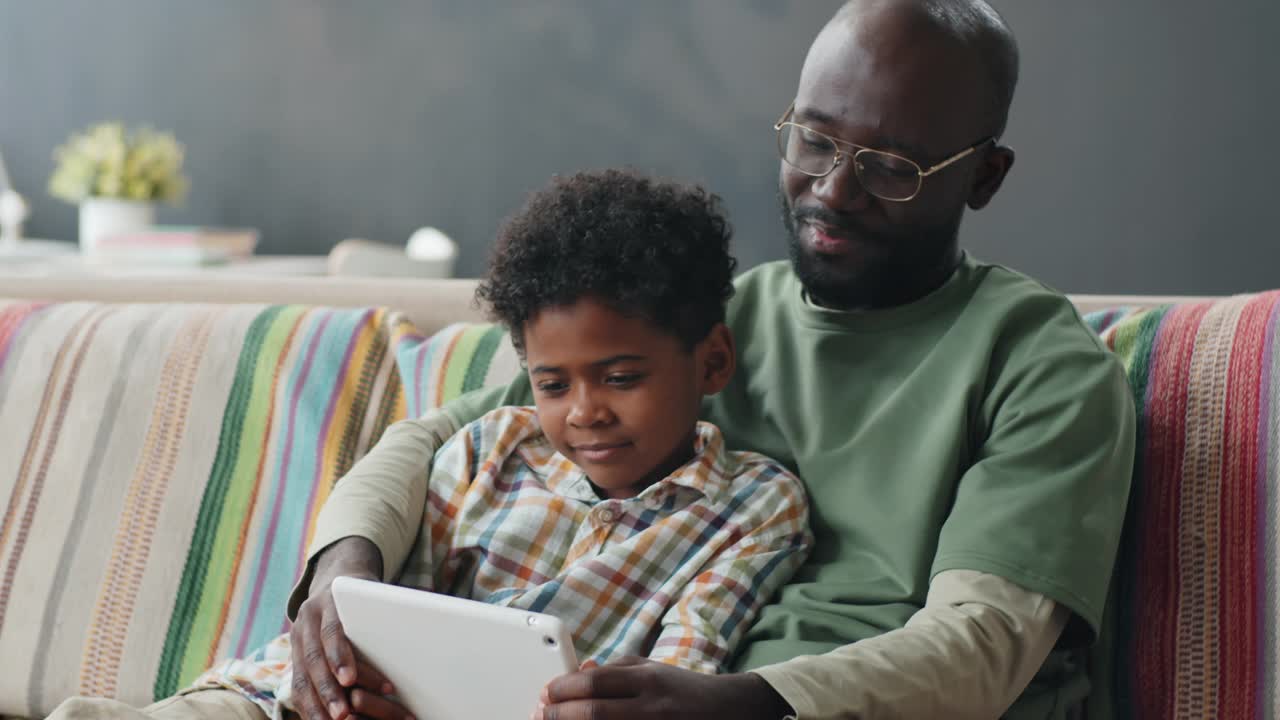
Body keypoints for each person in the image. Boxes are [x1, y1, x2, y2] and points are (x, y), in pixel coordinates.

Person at [284, 1, 1136, 719]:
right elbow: (435, 438)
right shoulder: (712, 317)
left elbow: (980, 647)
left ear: (985, 176)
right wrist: (343, 576)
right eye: (813, 140)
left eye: (890, 166)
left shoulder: (1040, 367)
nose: (833, 189)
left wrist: (744, 703)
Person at [49, 171, 812, 720]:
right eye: (552, 385)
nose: (585, 413)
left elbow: (682, 669)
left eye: (619, 377)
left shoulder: (751, 505)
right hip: (285, 700)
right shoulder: (488, 450)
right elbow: (384, 615)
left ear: (710, 361)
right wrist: (359, 683)